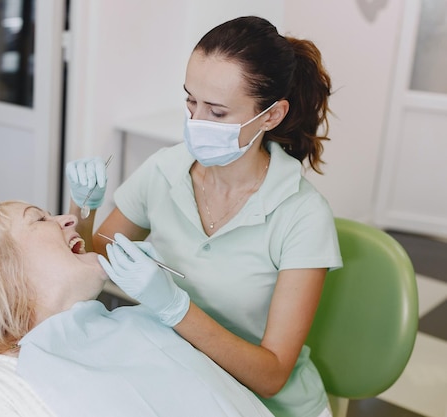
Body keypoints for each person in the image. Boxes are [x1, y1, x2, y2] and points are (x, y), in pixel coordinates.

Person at [66, 16, 343, 417]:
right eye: (190, 101)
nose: (196, 122)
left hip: (265, 404)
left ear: (270, 116)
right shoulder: (165, 170)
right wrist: (83, 207)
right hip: (178, 377)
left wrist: (175, 308)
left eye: (216, 112)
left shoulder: (302, 216)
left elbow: (272, 375)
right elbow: (94, 258)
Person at [0, 200, 275, 417]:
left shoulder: (141, 322)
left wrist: (174, 307)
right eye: (39, 219)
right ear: (1, 273)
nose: (69, 218)